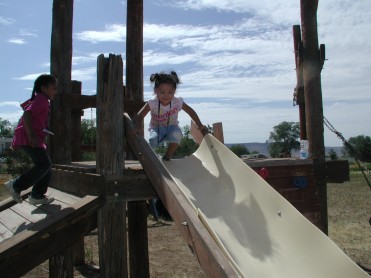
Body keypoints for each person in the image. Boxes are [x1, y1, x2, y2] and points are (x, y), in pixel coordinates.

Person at [4, 74, 58, 205]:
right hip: (29, 138)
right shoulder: (42, 99)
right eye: (53, 88)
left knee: (46, 166)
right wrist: (31, 134)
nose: (55, 91)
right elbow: (27, 114)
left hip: (30, 137)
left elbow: (31, 119)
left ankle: (37, 195)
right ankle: (16, 185)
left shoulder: (41, 100)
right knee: (44, 164)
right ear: (43, 88)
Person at [134, 71, 208, 160]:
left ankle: (167, 156)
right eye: (162, 92)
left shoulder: (177, 102)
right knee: (153, 141)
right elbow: (140, 115)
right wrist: (138, 127)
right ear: (155, 91)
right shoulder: (152, 103)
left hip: (172, 127)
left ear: (174, 91)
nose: (166, 95)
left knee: (177, 135)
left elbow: (190, 111)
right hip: (157, 128)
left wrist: (200, 125)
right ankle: (152, 157)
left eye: (170, 92)